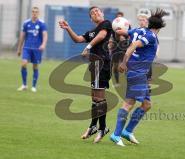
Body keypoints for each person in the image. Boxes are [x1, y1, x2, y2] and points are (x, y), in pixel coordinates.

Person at [110, 8, 168, 146]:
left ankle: (128, 131)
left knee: (147, 105)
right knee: (129, 103)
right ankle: (116, 134)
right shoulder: (151, 37)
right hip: (137, 72)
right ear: (159, 27)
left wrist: (118, 27)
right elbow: (134, 45)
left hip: (142, 73)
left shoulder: (138, 30)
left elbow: (121, 32)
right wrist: (124, 62)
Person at [59, 6, 112, 143]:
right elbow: (77, 39)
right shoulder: (92, 31)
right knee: (95, 98)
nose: (96, 13)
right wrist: (67, 28)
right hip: (94, 65)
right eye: (93, 13)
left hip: (102, 63)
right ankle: (94, 126)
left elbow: (102, 36)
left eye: (98, 11)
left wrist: (88, 47)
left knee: (99, 97)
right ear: (91, 18)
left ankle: (102, 128)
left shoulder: (106, 24)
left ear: (102, 13)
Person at [17, 7, 48, 92]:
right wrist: (19, 49)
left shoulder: (42, 24)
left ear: (38, 13)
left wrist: (43, 44)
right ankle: (24, 85)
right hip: (27, 48)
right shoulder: (26, 23)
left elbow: (45, 35)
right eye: (33, 12)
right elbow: (22, 36)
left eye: (36, 12)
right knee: (23, 64)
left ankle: (34, 86)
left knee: (35, 66)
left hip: (37, 49)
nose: (34, 13)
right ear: (31, 13)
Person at [110, 11, 130, 87]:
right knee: (115, 66)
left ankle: (128, 81)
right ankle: (117, 83)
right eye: (118, 17)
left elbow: (130, 36)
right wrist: (110, 42)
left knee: (125, 65)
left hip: (124, 48)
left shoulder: (127, 26)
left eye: (121, 17)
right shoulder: (113, 26)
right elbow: (111, 37)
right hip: (115, 48)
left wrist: (125, 40)